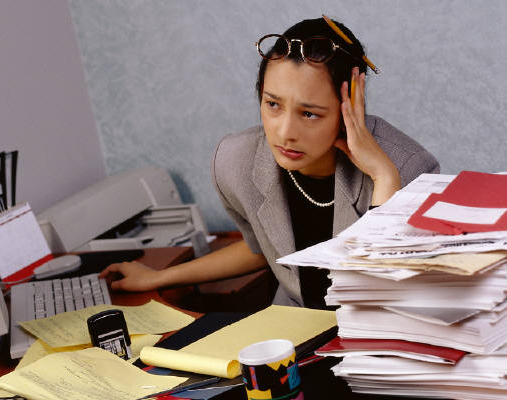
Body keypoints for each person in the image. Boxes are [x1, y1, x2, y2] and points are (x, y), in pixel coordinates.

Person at [100, 17, 440, 310]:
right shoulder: (235, 161)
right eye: (273, 104)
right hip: (295, 340)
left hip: (376, 348)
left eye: (309, 113)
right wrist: (160, 277)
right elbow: (263, 248)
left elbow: (390, 295)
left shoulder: (408, 168)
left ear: (350, 105)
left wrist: (383, 177)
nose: (285, 132)